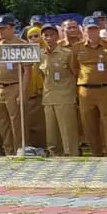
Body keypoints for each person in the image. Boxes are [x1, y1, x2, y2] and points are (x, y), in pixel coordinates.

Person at [74, 17, 107, 156]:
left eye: (95, 29)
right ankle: (96, 154)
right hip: (86, 91)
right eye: (89, 30)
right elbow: (74, 68)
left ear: (99, 30)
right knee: (89, 124)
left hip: (106, 89)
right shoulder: (77, 48)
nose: (92, 33)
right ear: (83, 31)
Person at [0, 15, 27, 155]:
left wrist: (22, 92)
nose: (0, 32)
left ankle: (19, 150)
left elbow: (27, 71)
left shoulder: (21, 44)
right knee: (2, 122)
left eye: (3, 28)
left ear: (12, 27)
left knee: (16, 122)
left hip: (14, 86)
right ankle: (8, 150)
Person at [39, 24, 81, 157]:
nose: (49, 38)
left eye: (52, 35)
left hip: (65, 96)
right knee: (51, 131)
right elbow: (41, 75)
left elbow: (75, 73)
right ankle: (54, 155)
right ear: (42, 37)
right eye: (46, 35)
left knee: (67, 130)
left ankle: (71, 155)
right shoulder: (40, 55)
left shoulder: (67, 53)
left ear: (57, 36)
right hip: (48, 96)